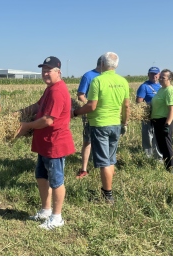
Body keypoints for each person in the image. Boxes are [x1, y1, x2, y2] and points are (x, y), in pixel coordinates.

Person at [14, 56, 74, 231]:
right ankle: (46, 211)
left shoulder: (58, 91)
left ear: (58, 72)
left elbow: (48, 120)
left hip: (55, 143)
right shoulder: (50, 88)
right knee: (41, 177)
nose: (45, 73)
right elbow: (37, 106)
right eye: (43, 70)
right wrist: (18, 114)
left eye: (49, 70)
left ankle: (57, 217)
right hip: (44, 142)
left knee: (56, 180)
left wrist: (26, 126)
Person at [74, 52, 130, 204]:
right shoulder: (123, 81)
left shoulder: (98, 81)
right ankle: (108, 189)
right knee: (111, 159)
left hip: (100, 124)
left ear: (102, 64)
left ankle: (107, 195)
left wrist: (76, 112)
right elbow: (126, 105)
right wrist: (124, 122)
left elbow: (91, 106)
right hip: (115, 124)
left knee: (104, 162)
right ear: (116, 65)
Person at [75, 57, 103, 180]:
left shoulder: (109, 76)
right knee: (88, 141)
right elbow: (81, 95)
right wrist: (90, 106)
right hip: (91, 114)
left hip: (105, 114)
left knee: (103, 140)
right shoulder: (89, 76)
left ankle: (105, 167)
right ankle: (84, 169)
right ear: (103, 64)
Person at [150, 70, 173, 172]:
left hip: (164, 122)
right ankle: (167, 168)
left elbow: (172, 109)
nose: (160, 79)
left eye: (163, 77)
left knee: (167, 147)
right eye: (160, 77)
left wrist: (167, 124)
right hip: (157, 122)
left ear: (170, 79)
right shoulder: (161, 89)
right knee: (162, 147)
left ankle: (171, 170)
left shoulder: (169, 91)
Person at [136, 67, 162, 160]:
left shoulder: (162, 86)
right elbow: (139, 101)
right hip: (148, 115)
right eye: (151, 74)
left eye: (155, 74)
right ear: (148, 75)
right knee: (147, 135)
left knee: (158, 136)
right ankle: (147, 156)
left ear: (159, 75)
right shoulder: (144, 86)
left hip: (160, 115)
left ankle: (158, 157)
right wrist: (147, 109)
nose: (154, 76)